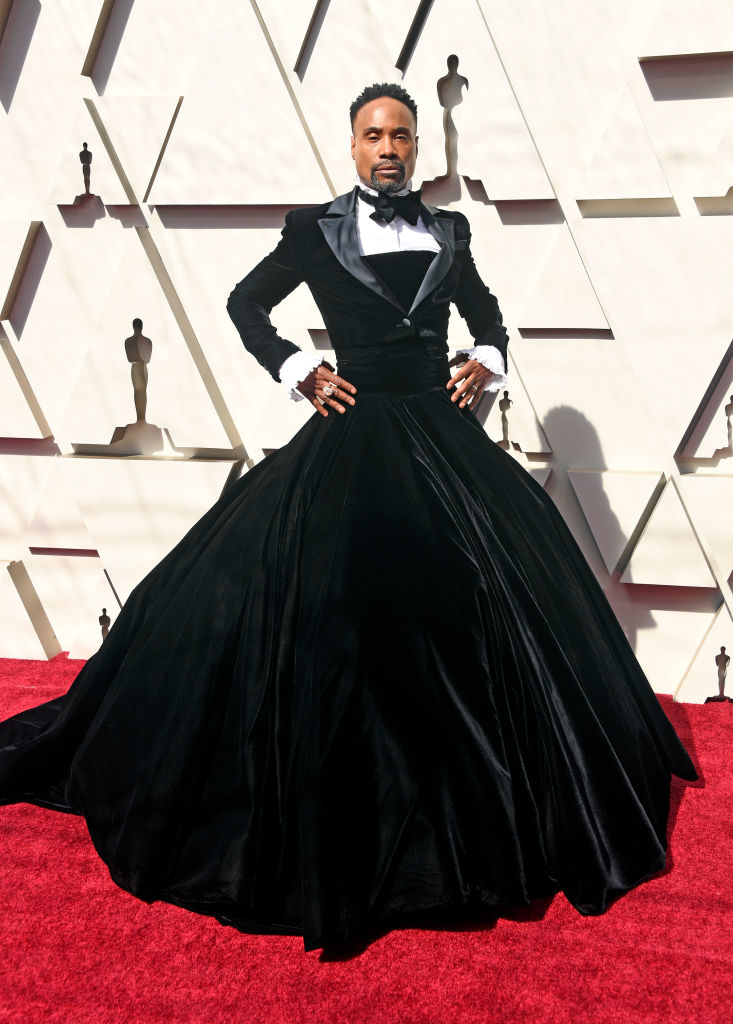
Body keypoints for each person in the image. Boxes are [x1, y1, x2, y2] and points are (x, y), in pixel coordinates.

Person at [0, 83, 697, 953]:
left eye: (401, 134)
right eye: (373, 136)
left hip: (443, 439)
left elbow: (484, 315)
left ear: (417, 145)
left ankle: (480, 823)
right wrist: (297, 368)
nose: (389, 148)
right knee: (328, 611)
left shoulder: (451, 231)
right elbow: (245, 305)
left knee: (475, 610)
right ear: (353, 146)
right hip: (351, 431)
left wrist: (481, 359)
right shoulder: (314, 229)